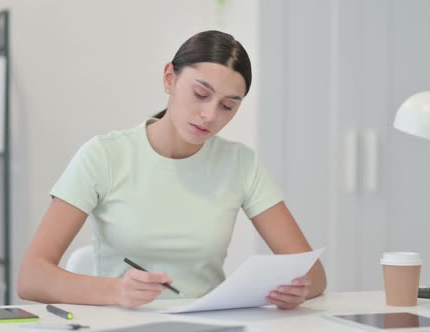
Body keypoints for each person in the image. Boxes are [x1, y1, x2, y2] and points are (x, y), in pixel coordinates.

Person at [17, 30, 326, 310]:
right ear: (169, 78)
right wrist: (115, 291)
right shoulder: (104, 156)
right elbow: (32, 277)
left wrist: (299, 289)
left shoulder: (241, 164)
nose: (209, 115)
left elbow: (314, 275)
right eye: (201, 94)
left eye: (227, 106)